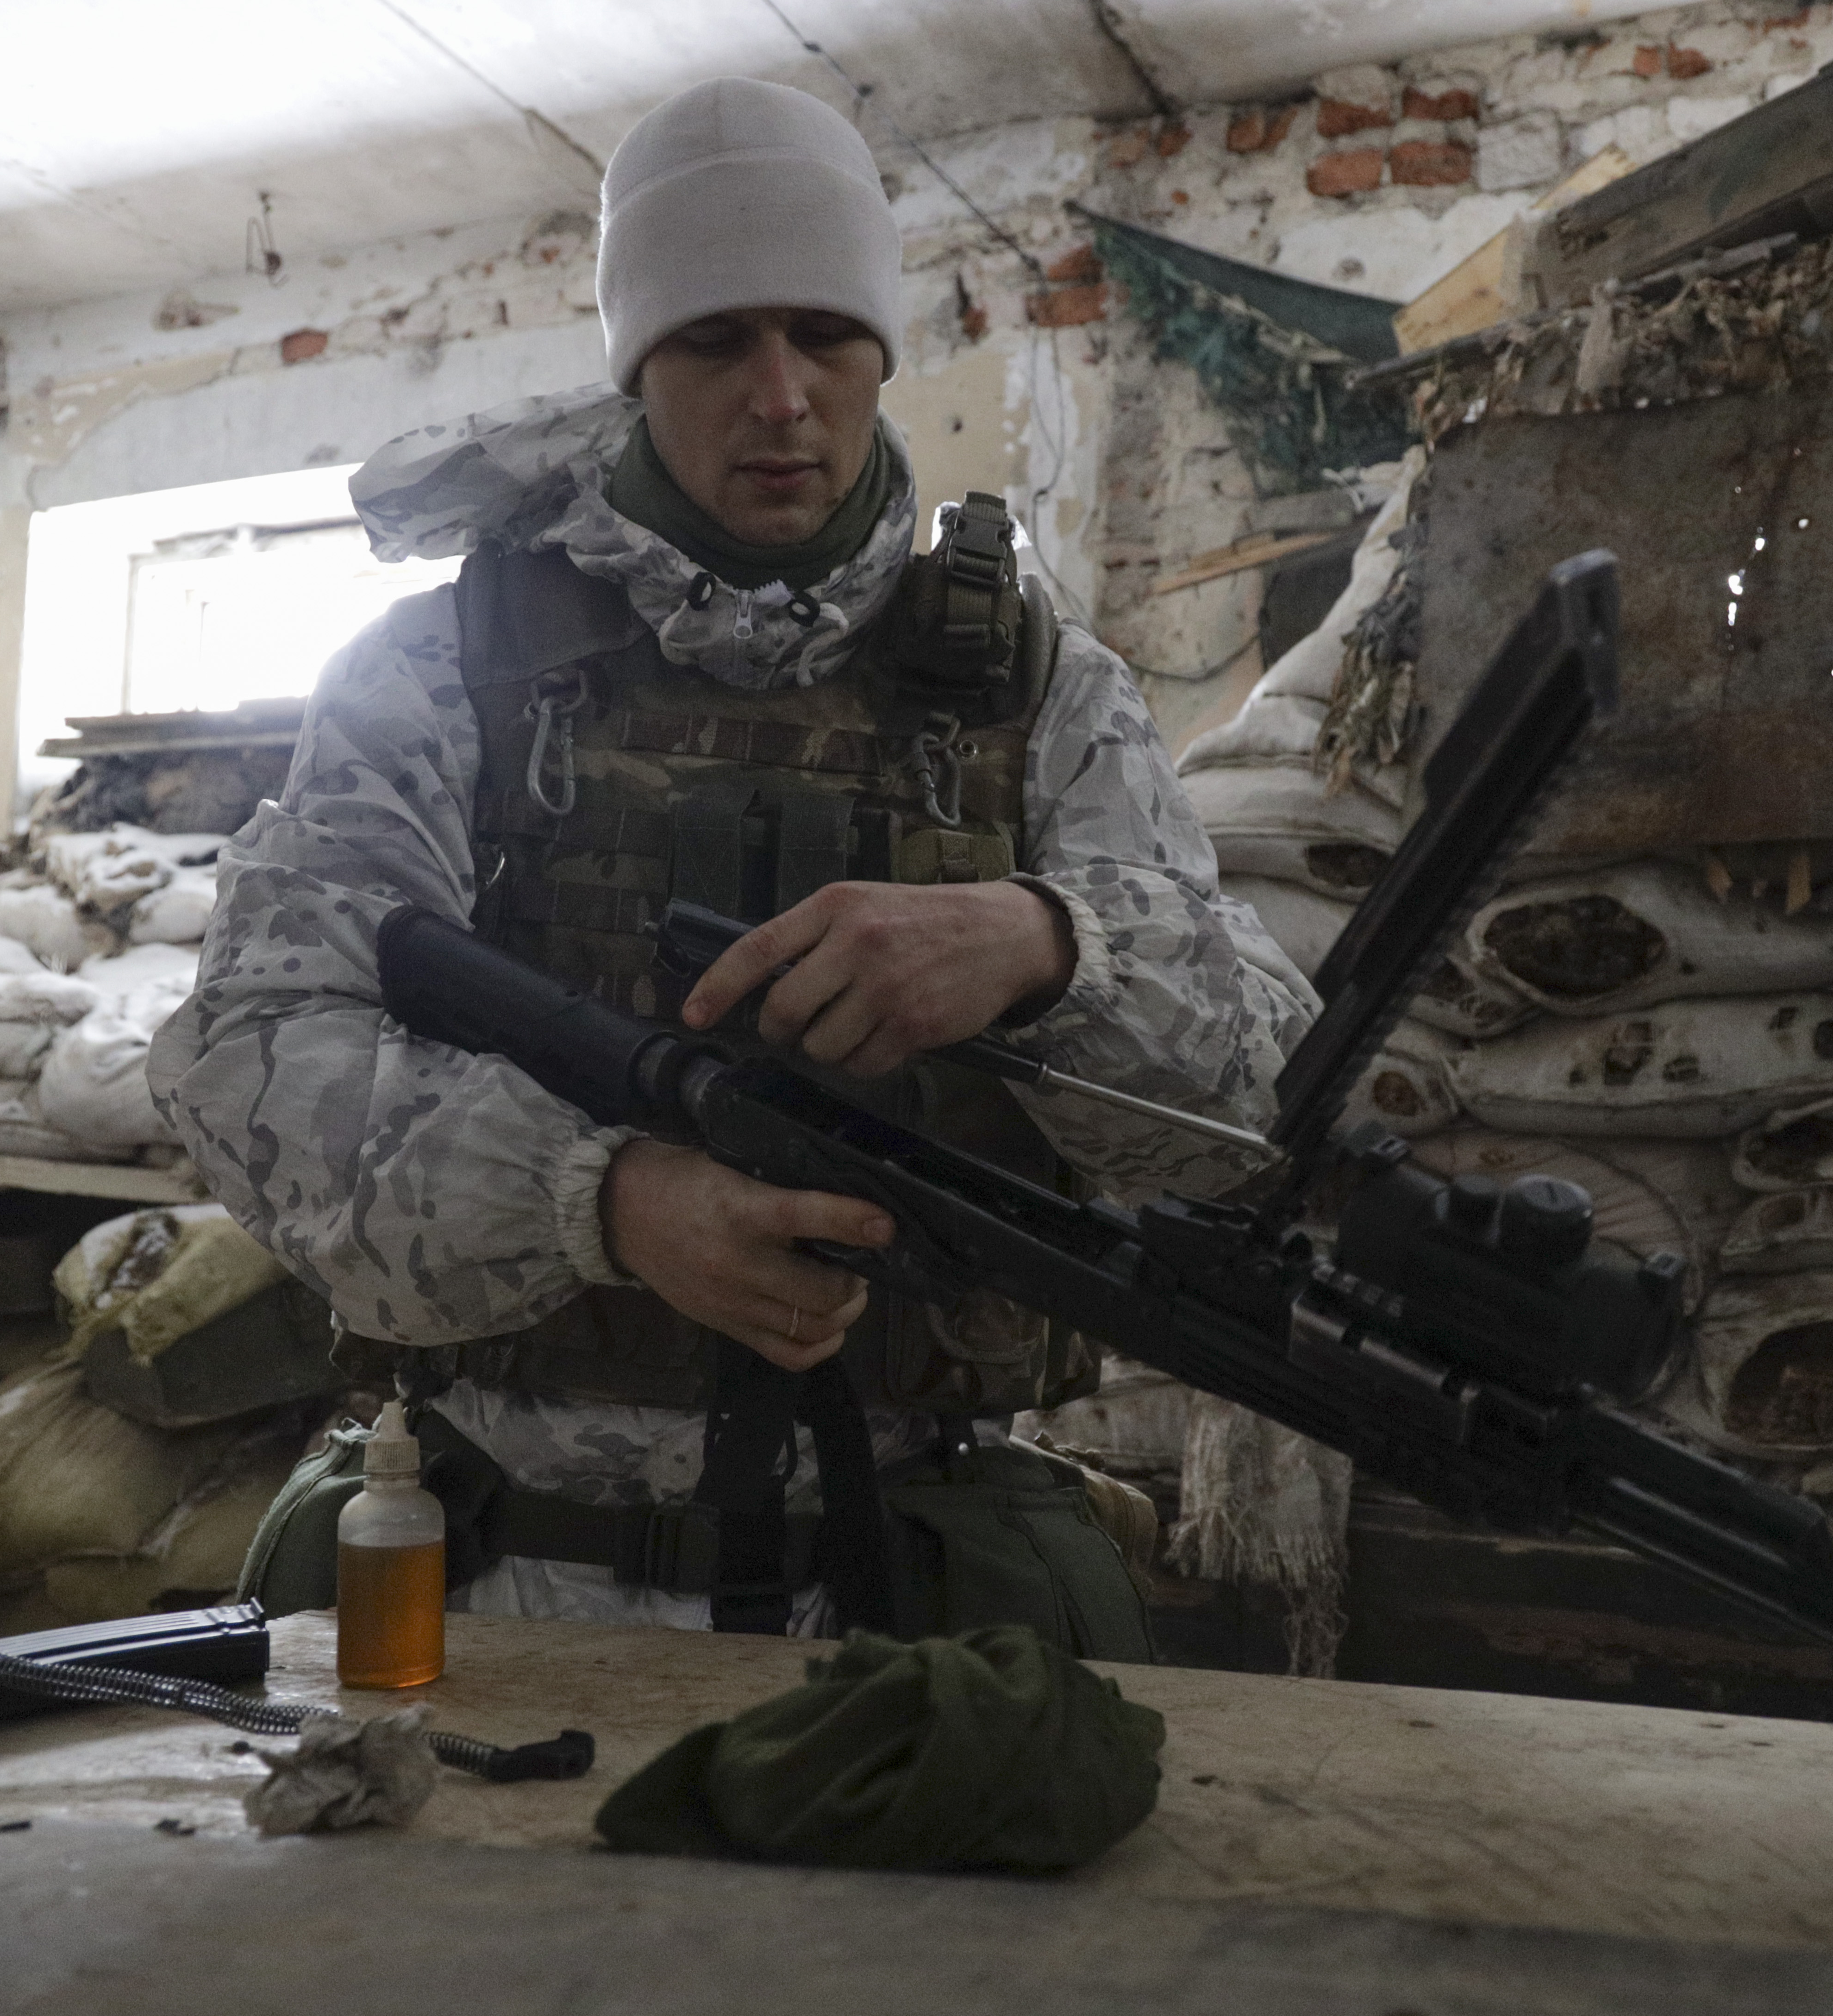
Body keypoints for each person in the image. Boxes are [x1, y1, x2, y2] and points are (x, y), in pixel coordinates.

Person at [151, 76, 1316, 1643]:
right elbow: (250, 1067)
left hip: (915, 1581)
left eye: (824, 336)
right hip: (503, 1564)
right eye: (715, 340)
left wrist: (1047, 948)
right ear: (639, 363)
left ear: (880, 354)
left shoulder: (1044, 688)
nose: (780, 396)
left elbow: (1249, 1106)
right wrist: (608, 1200)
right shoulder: (441, 672)